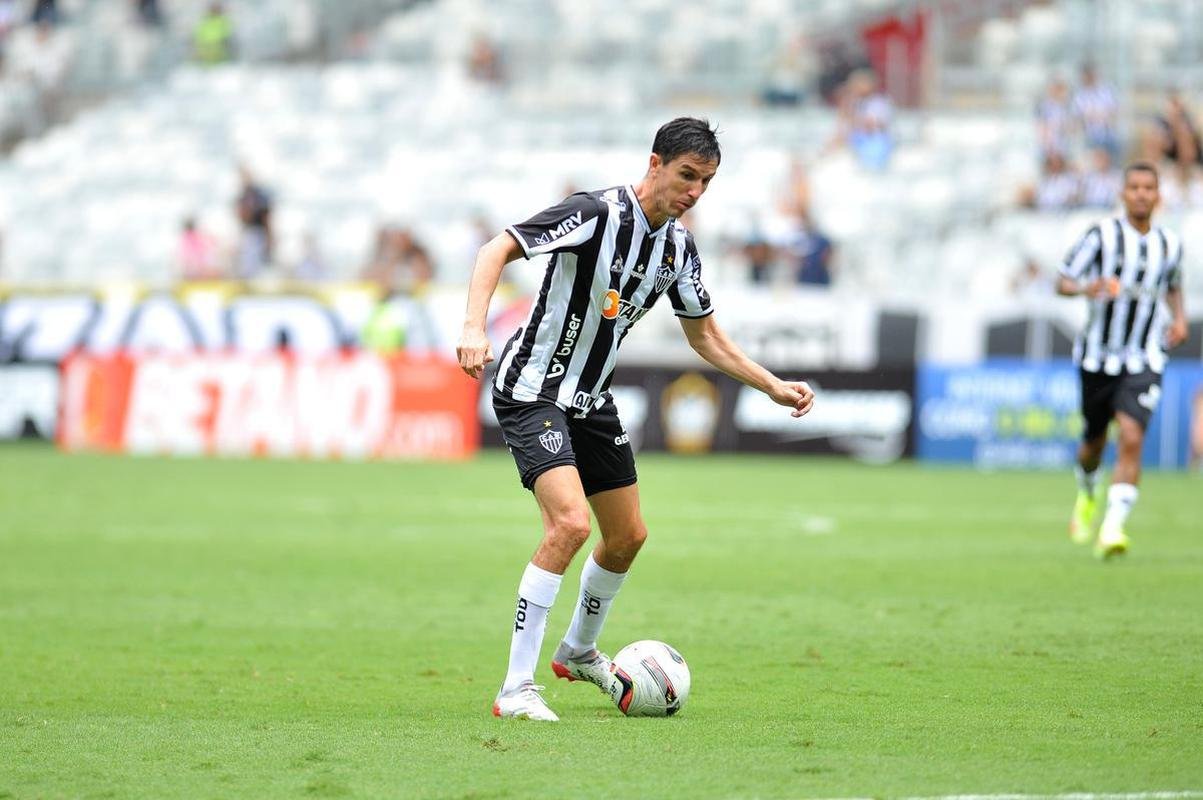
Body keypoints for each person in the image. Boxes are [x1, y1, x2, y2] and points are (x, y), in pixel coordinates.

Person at [456, 118, 815, 721]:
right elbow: (497, 249)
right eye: (687, 175)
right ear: (655, 164)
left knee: (627, 537)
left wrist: (773, 385)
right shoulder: (594, 214)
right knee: (570, 525)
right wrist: (472, 327)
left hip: (592, 399)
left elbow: (706, 336)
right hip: (533, 389)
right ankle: (515, 688)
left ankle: (578, 651)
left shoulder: (678, 248)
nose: (695, 191)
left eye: (706, 182)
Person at [1057, 162, 1188, 559]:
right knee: (1093, 444)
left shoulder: (1170, 243)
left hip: (1144, 356)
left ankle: (1113, 528)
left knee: (1131, 436)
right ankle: (1087, 492)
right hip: (1098, 357)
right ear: (1123, 193)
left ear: (1158, 195)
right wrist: (1088, 287)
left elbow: (1173, 284)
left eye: (1149, 187)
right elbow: (1062, 280)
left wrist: (1179, 318)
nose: (1142, 194)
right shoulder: (1101, 235)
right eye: (1134, 187)